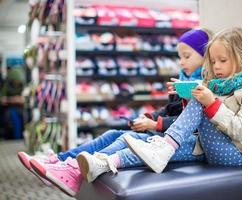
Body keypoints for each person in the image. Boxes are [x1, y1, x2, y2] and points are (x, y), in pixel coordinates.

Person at [19, 28, 212, 197]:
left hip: (178, 140)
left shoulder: (202, 87)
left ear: (204, 56)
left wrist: (156, 124)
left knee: (124, 139)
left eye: (187, 56)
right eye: (180, 57)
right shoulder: (183, 80)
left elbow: (190, 121)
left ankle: (73, 171)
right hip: (166, 134)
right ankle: (60, 161)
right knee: (112, 134)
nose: (181, 62)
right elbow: (170, 109)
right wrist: (150, 117)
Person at [124, 27, 242, 174]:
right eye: (213, 62)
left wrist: (210, 103)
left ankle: (166, 146)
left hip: (239, 155)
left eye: (222, 60)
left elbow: (239, 130)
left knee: (199, 98)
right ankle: (106, 162)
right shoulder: (220, 84)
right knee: (150, 149)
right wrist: (187, 96)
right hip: (214, 146)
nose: (216, 67)